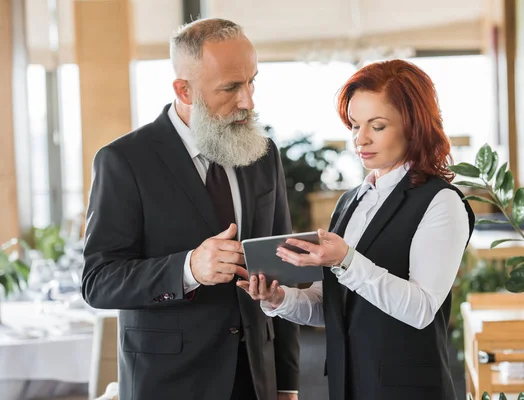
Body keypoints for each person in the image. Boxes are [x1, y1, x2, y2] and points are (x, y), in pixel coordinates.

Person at [82, 18, 299, 400]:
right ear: (184, 90)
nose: (248, 101)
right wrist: (188, 269)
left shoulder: (263, 155)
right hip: (168, 382)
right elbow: (99, 282)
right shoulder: (124, 161)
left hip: (256, 379)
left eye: (252, 82)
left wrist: (287, 384)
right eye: (231, 87)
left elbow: (284, 268)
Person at [238, 59, 475, 400]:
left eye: (376, 126)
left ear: (414, 126)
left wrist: (346, 260)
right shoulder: (351, 201)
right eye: (353, 125)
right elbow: (334, 305)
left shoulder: (441, 202)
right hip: (348, 383)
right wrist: (279, 300)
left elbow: (421, 308)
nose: (360, 139)